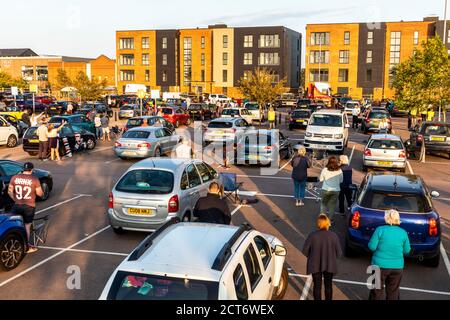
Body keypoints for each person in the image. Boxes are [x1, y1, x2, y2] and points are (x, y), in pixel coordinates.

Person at [368, 209, 411, 300]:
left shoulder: (380, 230)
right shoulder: (403, 232)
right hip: (397, 267)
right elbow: (407, 250)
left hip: (378, 266)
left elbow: (372, 247)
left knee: (376, 290)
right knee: (393, 292)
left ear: (386, 218)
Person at [302, 214, 342, 301]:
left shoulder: (312, 235)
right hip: (329, 264)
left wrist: (312, 256)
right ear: (327, 223)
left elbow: (305, 250)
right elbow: (339, 253)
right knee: (328, 285)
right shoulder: (333, 235)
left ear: (318, 224)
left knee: (317, 286)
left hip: (315, 265)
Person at [8, 162, 44, 253]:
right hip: (29, 206)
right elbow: (40, 193)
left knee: (14, 224)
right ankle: (26, 246)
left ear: (23, 169)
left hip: (17, 204)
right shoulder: (34, 179)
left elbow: (10, 191)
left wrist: (15, 199)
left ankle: (13, 243)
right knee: (27, 226)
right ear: (31, 170)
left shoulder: (15, 177)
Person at [319, 157, 343, 222]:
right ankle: (329, 220)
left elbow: (321, 179)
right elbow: (341, 181)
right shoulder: (339, 170)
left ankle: (322, 219)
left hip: (325, 189)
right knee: (332, 206)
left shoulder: (325, 169)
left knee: (323, 204)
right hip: (336, 190)